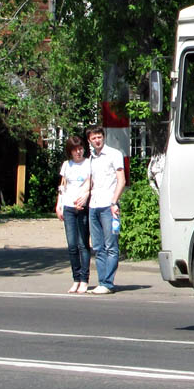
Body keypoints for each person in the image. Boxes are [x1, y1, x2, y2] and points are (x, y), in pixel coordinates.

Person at [86, 125, 126, 295]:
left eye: (99, 137)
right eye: (93, 138)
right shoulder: (91, 158)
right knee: (97, 246)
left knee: (111, 246)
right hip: (93, 205)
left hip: (108, 206)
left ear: (103, 137)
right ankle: (102, 282)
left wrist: (114, 202)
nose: (97, 140)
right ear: (89, 140)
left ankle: (108, 283)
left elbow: (121, 180)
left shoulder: (114, 154)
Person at [55, 134, 92, 294]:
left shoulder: (88, 164)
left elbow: (90, 183)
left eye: (80, 149)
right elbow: (63, 186)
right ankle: (75, 278)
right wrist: (59, 204)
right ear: (70, 151)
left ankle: (84, 279)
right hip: (69, 207)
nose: (78, 152)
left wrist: (84, 197)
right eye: (75, 150)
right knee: (71, 245)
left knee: (83, 244)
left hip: (82, 207)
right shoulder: (66, 165)